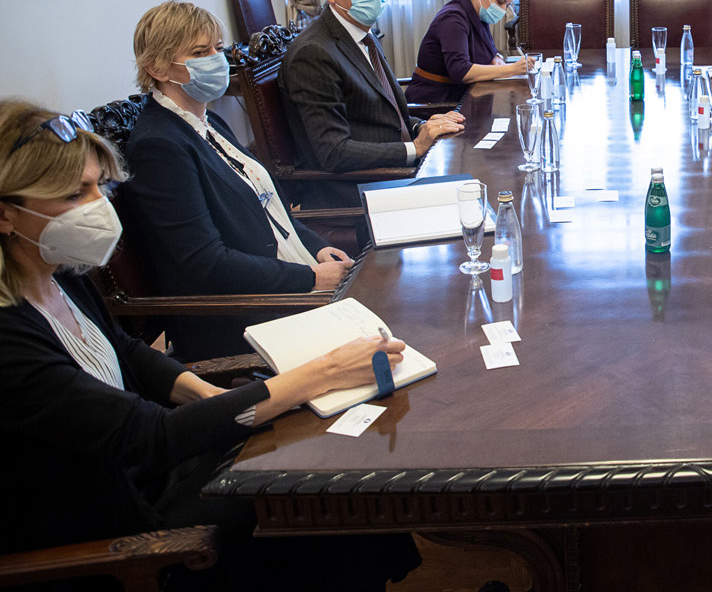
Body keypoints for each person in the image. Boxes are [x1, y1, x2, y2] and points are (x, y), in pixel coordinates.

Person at [0, 99, 419, 589]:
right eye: (75, 194)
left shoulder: (55, 272)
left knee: (330, 457)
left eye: (101, 186)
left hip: (148, 469)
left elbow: (125, 351)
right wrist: (320, 374)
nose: (99, 205)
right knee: (321, 493)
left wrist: (208, 395)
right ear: (6, 215)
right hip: (120, 532)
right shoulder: (9, 340)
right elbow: (152, 436)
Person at [124, 0, 349, 361]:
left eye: (218, 48)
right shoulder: (158, 146)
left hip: (284, 276)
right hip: (240, 310)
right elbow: (206, 262)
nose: (217, 59)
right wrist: (309, 278)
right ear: (156, 67)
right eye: (200, 52)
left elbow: (267, 206)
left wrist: (316, 246)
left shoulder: (207, 121)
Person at [280, 0, 465, 208]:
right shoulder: (314, 53)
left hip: (393, 171)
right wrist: (415, 148)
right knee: (469, 198)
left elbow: (378, 113)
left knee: (472, 175)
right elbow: (333, 152)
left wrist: (422, 126)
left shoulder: (362, 33)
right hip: (357, 190)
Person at [406, 0, 534, 104]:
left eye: (507, 5)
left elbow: (487, 52)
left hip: (464, 96)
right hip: (437, 102)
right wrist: (513, 69)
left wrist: (495, 58)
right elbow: (461, 71)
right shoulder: (453, 18)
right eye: (500, 2)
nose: (504, 10)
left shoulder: (477, 13)